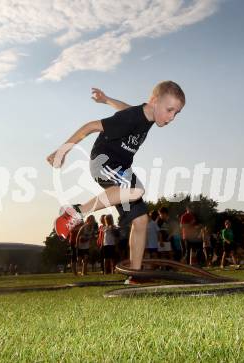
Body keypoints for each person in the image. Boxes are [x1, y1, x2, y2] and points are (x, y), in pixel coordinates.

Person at [47, 81, 185, 283]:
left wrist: (106, 100)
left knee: (141, 220)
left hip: (122, 169)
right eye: (170, 110)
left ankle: (135, 276)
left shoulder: (145, 114)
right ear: (154, 101)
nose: (172, 117)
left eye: (176, 113)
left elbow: (123, 108)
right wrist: (62, 151)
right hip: (104, 162)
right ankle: (76, 212)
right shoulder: (132, 118)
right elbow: (91, 126)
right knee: (136, 190)